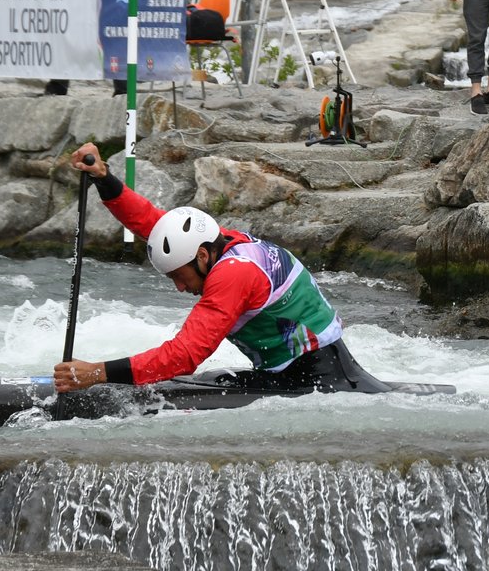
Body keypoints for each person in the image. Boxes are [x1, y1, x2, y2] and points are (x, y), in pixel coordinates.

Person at [52, 144, 389, 396]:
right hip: (293, 371)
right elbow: (153, 223)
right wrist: (104, 179)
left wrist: (97, 373)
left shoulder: (233, 275)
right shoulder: (221, 241)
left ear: (201, 256)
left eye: (177, 278)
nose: (180, 289)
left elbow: (185, 355)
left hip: (320, 383)